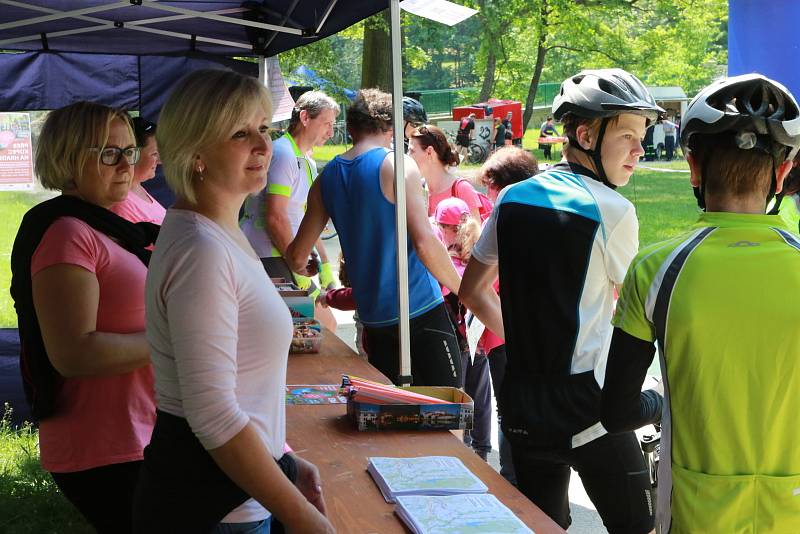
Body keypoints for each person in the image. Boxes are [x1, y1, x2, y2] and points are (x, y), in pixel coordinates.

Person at [460, 68, 663, 533]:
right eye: (628, 135)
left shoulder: (511, 197)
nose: (639, 149)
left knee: (544, 527)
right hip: (592, 409)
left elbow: (472, 291)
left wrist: (532, 343)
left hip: (524, 400)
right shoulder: (613, 210)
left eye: (642, 136)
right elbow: (636, 316)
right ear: (586, 133)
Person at [133, 69, 333, 534]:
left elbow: (238, 389)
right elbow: (212, 413)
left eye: (264, 128)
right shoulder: (201, 248)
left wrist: (284, 459)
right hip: (213, 509)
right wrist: (306, 520)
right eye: (240, 134)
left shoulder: (219, 230)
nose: (263, 146)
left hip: (233, 496)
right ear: (196, 153)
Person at [601, 73, 800, 533]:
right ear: (782, 174)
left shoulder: (655, 269)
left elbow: (617, 412)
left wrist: (658, 399)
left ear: (693, 167)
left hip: (695, 511)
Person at [10, 102, 158, 533]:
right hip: (105, 443)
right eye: (109, 153)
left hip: (139, 431)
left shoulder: (108, 223)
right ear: (69, 156)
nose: (125, 164)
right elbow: (75, 354)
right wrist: (176, 340)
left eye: (130, 151)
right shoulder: (67, 234)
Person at [286, 88, 462, 388]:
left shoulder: (327, 178)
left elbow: (296, 257)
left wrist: (311, 266)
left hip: (374, 320)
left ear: (351, 128)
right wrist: (464, 290)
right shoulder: (397, 164)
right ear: (391, 127)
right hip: (419, 309)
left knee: (392, 415)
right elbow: (425, 242)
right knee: (450, 411)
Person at [240, 90, 340, 331]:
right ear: (305, 117)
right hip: (270, 255)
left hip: (285, 255)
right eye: (326, 123)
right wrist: (298, 267)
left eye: (333, 125)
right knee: (320, 328)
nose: (331, 131)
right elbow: (275, 217)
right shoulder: (283, 153)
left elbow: (307, 219)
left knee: (322, 328)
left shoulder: (305, 159)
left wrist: (325, 266)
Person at [473, 146, 540, 484]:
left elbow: (480, 286)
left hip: (505, 333)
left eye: (492, 185)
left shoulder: (506, 217)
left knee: (511, 413)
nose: (488, 193)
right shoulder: (535, 216)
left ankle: (513, 480)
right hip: (504, 333)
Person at [431, 197, 491, 460]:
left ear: (448, 230)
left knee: (460, 397)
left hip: (455, 343)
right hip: (479, 342)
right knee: (481, 396)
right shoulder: (476, 264)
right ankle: (482, 449)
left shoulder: (447, 268)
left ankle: (463, 451)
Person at [408, 124, 482, 221]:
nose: (407, 156)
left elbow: (474, 234)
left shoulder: (462, 189)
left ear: (430, 152)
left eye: (411, 151)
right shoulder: (418, 188)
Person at [111, 117, 167, 224]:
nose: (159, 161)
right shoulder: (121, 204)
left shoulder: (137, 189)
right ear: (132, 154)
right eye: (154, 154)